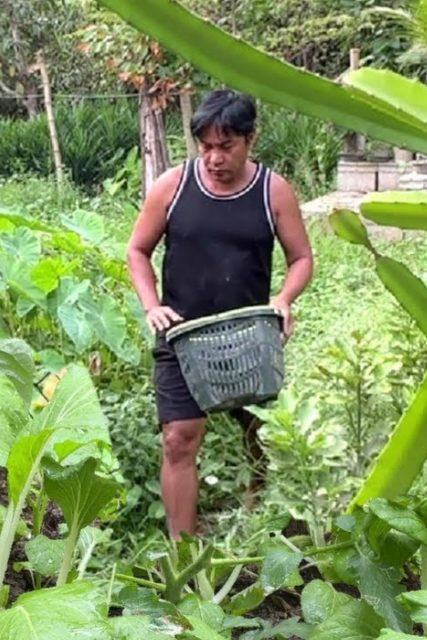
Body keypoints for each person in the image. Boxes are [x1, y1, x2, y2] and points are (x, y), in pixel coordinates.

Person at [126, 88, 315, 539]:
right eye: (206, 147)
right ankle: (182, 551)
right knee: (179, 438)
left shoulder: (273, 190)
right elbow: (137, 250)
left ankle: (258, 511)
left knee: (262, 433)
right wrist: (152, 307)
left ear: (251, 139)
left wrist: (284, 299)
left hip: (250, 336)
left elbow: (302, 258)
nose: (214, 158)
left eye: (225, 146)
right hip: (183, 334)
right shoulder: (173, 186)